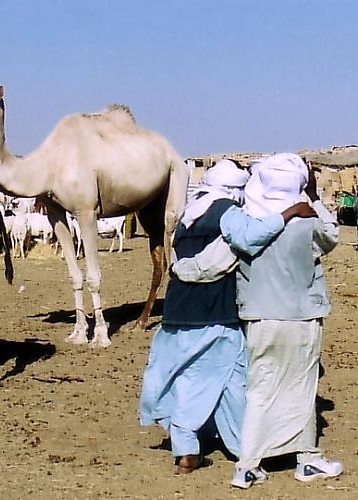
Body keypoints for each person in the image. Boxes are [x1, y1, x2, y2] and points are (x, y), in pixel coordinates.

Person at [218, 153, 341, 488]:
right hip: (300, 316)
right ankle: (308, 459)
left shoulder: (245, 223)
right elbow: (332, 234)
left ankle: (247, 465)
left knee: (259, 390)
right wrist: (314, 199)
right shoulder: (307, 223)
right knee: (302, 388)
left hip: (259, 317)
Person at [139, 159, 253, 475]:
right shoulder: (230, 213)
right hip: (214, 312)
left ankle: (204, 446)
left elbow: (181, 262)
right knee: (224, 377)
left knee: (196, 376)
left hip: (178, 310)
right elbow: (232, 254)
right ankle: (231, 447)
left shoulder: (188, 215)